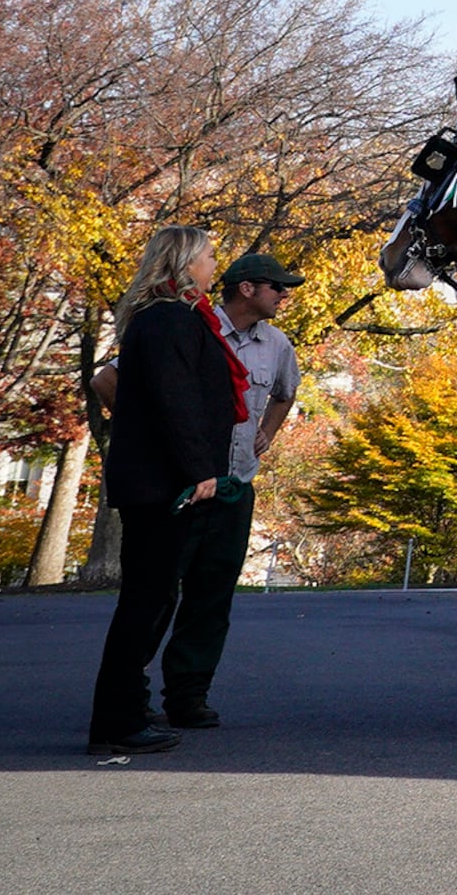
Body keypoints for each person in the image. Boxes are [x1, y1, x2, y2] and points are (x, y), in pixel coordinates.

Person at [85, 226, 242, 756]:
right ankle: (118, 720)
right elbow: (177, 402)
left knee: (152, 599)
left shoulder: (164, 319)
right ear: (183, 263)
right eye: (208, 256)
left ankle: (125, 709)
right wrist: (201, 470)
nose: (213, 265)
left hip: (156, 482)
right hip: (160, 486)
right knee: (145, 603)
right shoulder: (169, 320)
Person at [160, 252, 302, 729]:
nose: (286, 295)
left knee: (211, 599)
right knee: (155, 595)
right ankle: (128, 693)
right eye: (278, 287)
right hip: (179, 487)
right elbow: (111, 381)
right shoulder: (191, 328)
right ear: (247, 289)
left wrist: (268, 432)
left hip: (235, 487)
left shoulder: (278, 344)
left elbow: (285, 394)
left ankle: (187, 696)